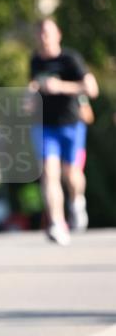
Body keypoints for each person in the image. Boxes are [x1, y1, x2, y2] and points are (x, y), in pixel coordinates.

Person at [29, 17, 99, 245]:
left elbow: (92, 89)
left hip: (71, 124)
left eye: (48, 32)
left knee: (72, 175)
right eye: (40, 33)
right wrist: (29, 96)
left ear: (58, 34)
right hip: (45, 126)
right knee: (49, 173)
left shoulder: (70, 59)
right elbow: (33, 88)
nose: (44, 37)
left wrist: (60, 87)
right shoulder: (35, 61)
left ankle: (77, 201)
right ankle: (57, 223)